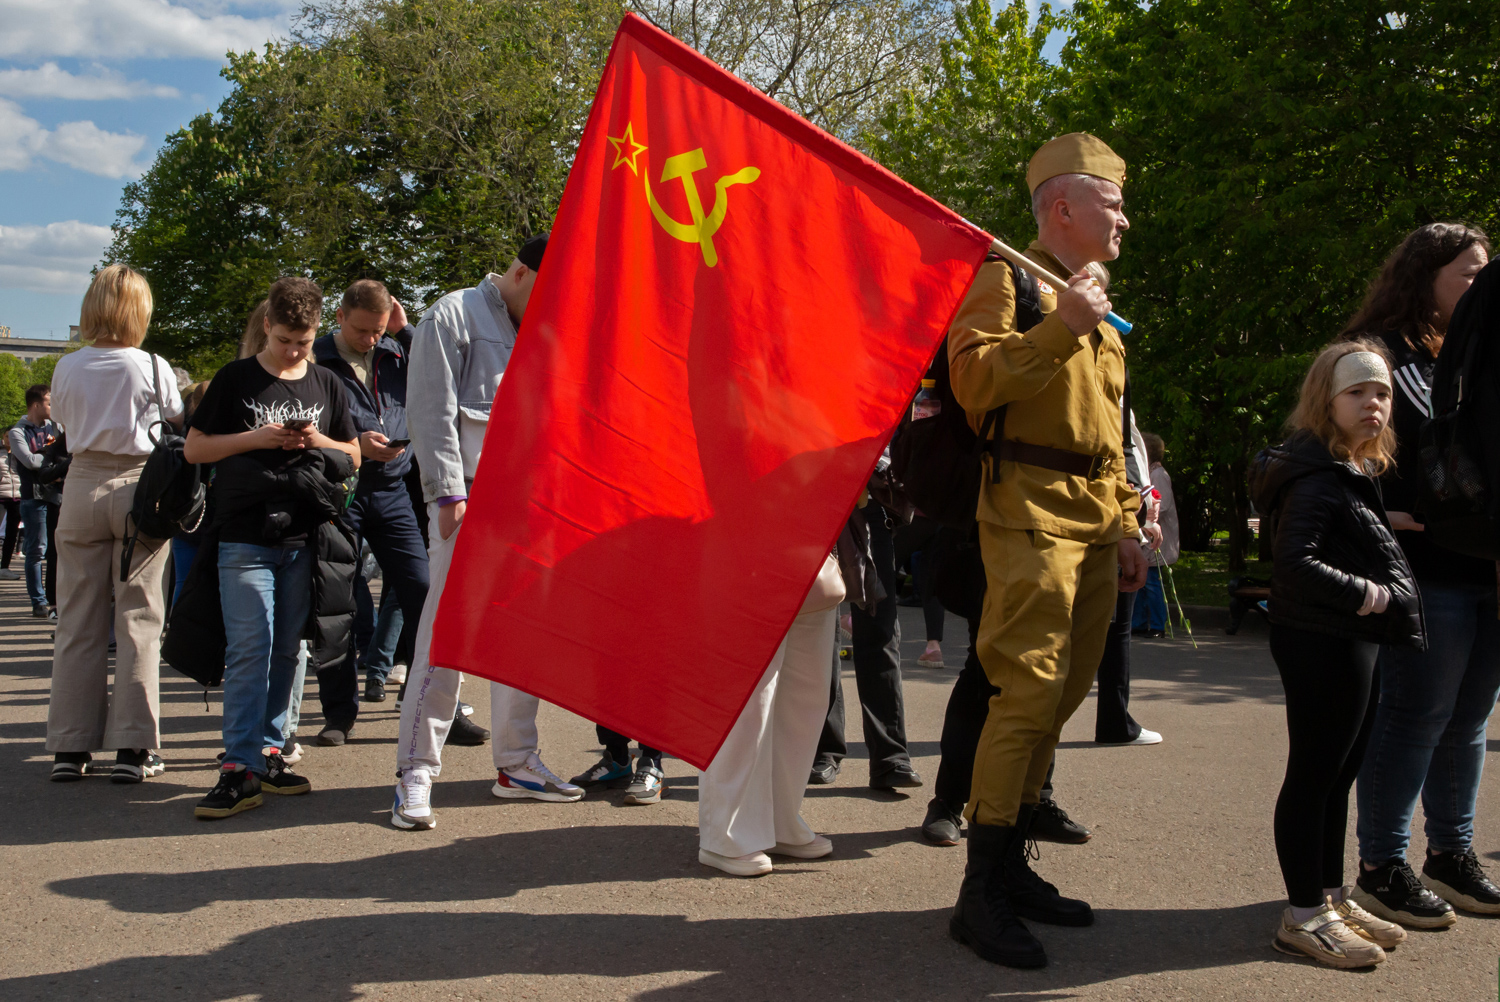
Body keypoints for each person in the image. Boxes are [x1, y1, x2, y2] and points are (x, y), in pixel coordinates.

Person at [943, 133, 1146, 969]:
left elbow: (1112, 432)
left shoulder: (1102, 307)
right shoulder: (1008, 278)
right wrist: (1061, 326)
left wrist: (1131, 519)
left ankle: (1015, 860)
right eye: (1113, 200)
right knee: (1025, 693)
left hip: (1095, 521)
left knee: (1062, 698)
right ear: (1062, 207)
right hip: (1028, 511)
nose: (1126, 217)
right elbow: (974, 382)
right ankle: (979, 889)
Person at [391, 233, 585, 832]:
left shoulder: (541, 326)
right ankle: (415, 772)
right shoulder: (452, 313)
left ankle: (518, 762)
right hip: (467, 499)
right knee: (444, 639)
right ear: (523, 273)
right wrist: (447, 494)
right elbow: (430, 408)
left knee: (520, 639)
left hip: (527, 504)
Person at [1345, 224, 1500, 927]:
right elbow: (1335, 448)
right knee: (1415, 718)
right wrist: (1382, 514)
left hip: (1484, 568)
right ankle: (1381, 867)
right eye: (1469, 274)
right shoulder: (1381, 356)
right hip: (1426, 573)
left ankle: (1450, 856)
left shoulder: (1471, 355)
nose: (1482, 285)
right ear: (1425, 278)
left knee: (1467, 721)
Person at [1249, 340, 1422, 968]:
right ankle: (1302, 916)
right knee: (1314, 776)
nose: (1373, 403)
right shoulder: (1318, 473)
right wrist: (1371, 596)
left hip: (1347, 639)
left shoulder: (1345, 467)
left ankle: (1328, 896)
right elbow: (1294, 562)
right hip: (1323, 638)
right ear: (1327, 399)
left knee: (1338, 775)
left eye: (1381, 393)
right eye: (1358, 392)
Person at [184, 276, 361, 820]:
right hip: (242, 534)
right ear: (267, 324)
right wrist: (256, 440)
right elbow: (194, 449)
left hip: (304, 538)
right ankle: (237, 766)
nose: (293, 352)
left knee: (288, 649)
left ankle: (270, 751)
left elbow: (353, 453)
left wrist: (317, 441)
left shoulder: (328, 382)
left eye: (303, 343)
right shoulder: (236, 380)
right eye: (285, 339)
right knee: (248, 651)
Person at [45, 264, 181, 783]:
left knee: (76, 620)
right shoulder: (150, 365)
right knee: (139, 619)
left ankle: (70, 747)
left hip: (80, 484)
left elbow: (65, 425)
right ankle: (132, 747)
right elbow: (170, 416)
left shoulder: (68, 368)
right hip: (136, 486)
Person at [312, 279, 429, 736]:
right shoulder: (316, 359)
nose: (370, 340)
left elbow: (441, 371)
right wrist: (353, 446)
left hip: (394, 491)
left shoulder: (398, 349)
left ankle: (432, 701)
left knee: (422, 591)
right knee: (337, 603)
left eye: (378, 330)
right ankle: (339, 714)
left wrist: (405, 332)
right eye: (363, 331)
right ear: (339, 317)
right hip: (342, 491)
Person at [699, 554, 842, 876]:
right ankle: (725, 835)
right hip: (742, 535)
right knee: (745, 696)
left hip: (810, 537)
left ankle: (778, 823)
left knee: (803, 695)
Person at [810, 482, 922, 791]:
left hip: (869, 499)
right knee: (819, 631)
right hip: (814, 496)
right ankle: (823, 750)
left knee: (880, 631)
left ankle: (890, 757)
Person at [10, 384, 64, 617]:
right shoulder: (17, 432)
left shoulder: (58, 427)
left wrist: (50, 460)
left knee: (58, 549)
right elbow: (30, 462)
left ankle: (57, 600)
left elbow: (68, 453)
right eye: (49, 403)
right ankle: (39, 601)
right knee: (36, 550)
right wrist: (51, 459)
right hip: (33, 497)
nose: (53, 407)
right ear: (36, 404)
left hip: (59, 495)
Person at [1132, 432, 1177, 637]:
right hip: (1147, 536)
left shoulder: (1158, 474)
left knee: (1151, 582)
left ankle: (1158, 625)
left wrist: (1145, 513)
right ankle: (1139, 623)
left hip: (1156, 537)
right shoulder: (1149, 472)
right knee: (1141, 582)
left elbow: (1163, 504)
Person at [0, 438, 21, 580]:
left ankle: (4, 567)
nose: (9, 440)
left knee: (12, 534)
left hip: (17, 497)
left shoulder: (20, 452)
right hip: (1, 495)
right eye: (7, 436)